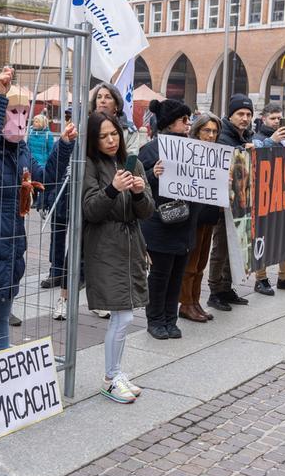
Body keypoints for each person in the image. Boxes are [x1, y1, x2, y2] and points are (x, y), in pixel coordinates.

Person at [0, 68, 75, 420]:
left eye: (24, 112)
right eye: (12, 111)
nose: (19, 119)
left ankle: (0, 384)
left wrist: (64, 146)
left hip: (8, 251)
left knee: (1, 321)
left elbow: (44, 179)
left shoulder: (21, 152)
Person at [83, 111, 152, 402]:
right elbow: (90, 210)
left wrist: (138, 193)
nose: (111, 140)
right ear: (93, 140)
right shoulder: (89, 164)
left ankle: (116, 372)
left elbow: (147, 211)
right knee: (122, 315)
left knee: (125, 314)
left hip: (131, 245)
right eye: (103, 136)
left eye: (114, 134)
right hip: (105, 246)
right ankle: (111, 377)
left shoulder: (132, 162)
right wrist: (112, 189)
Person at [140, 99, 197, 339]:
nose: (188, 123)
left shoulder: (194, 148)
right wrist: (153, 174)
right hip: (159, 225)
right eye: (184, 119)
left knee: (176, 276)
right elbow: (138, 184)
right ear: (170, 122)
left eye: (189, 119)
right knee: (160, 276)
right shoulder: (150, 150)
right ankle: (155, 320)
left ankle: (170, 320)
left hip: (185, 224)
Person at [250, 102, 285, 296]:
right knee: (263, 237)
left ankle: (284, 277)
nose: (276, 121)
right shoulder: (258, 138)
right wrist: (272, 141)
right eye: (273, 118)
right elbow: (255, 160)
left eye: (279, 118)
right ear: (263, 119)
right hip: (266, 196)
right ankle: (261, 279)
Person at [206, 93, 255, 311]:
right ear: (230, 115)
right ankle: (215, 291)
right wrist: (243, 152)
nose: (245, 118)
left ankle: (226, 287)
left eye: (248, 114)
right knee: (220, 248)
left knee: (233, 247)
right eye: (240, 114)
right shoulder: (223, 136)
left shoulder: (246, 135)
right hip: (222, 203)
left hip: (239, 201)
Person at [178, 113, 223, 323]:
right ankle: (186, 303)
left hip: (210, 213)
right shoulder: (189, 152)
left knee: (201, 263)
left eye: (215, 131)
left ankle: (195, 301)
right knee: (191, 263)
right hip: (193, 216)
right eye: (207, 130)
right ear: (197, 132)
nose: (211, 135)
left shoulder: (217, 154)